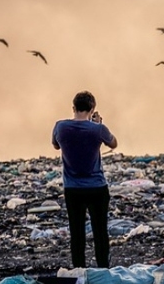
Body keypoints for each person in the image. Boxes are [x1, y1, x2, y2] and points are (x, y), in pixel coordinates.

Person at [51, 90, 118, 268]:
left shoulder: (60, 127)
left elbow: (56, 145)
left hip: (73, 188)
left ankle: (79, 271)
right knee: (100, 232)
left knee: (77, 233)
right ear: (92, 109)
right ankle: (103, 270)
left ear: (73, 107)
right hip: (97, 187)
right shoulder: (98, 129)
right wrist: (97, 125)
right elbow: (113, 144)